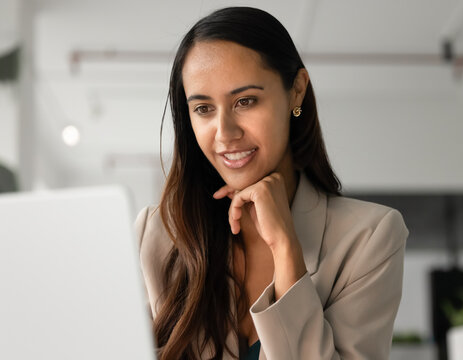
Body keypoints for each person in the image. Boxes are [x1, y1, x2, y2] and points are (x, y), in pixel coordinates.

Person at [135, 6, 409, 360]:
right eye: (203, 108)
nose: (225, 133)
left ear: (296, 91)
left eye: (245, 101)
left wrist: (286, 248)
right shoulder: (157, 234)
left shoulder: (370, 238)